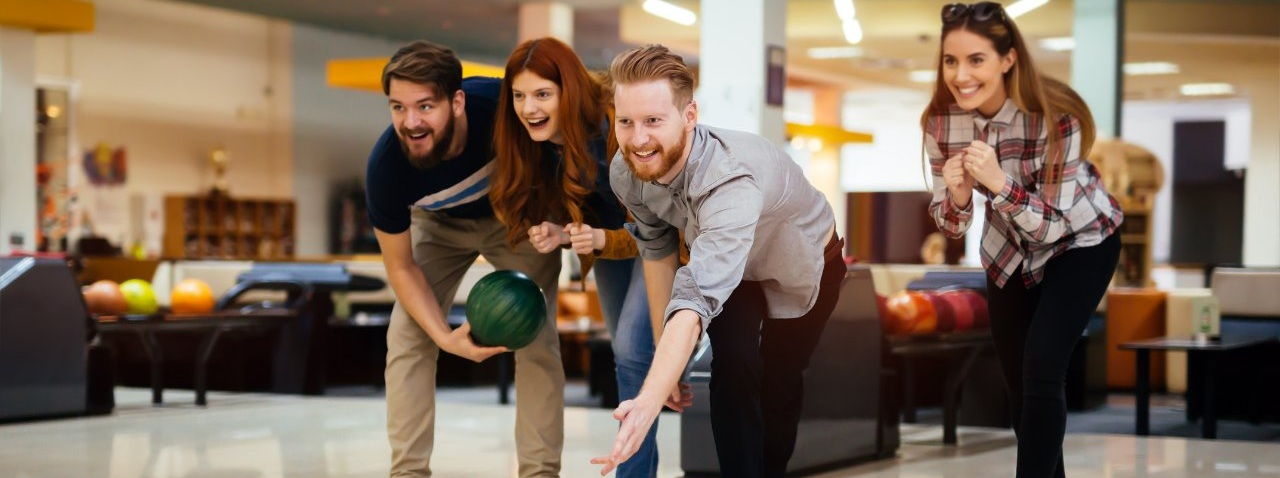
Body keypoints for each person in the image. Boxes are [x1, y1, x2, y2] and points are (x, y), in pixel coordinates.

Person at [590, 44, 846, 478]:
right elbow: (658, 252)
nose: (637, 139)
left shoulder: (730, 178)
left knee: (780, 382)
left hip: (805, 263)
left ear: (689, 115)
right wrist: (664, 370)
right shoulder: (626, 171)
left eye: (653, 120)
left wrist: (648, 402)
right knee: (735, 364)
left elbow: (695, 300)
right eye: (626, 121)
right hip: (736, 270)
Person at [921, 3, 1123, 477]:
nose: (961, 75)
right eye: (951, 61)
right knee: (1021, 390)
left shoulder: (1056, 118)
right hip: (1008, 251)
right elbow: (951, 226)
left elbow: (1052, 225)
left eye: (976, 60)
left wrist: (997, 183)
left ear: (1008, 59)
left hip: (1081, 242)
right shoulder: (941, 122)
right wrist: (956, 195)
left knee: (1042, 368)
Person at [365, 40, 565, 478]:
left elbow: (565, 148)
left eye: (425, 106)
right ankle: (408, 472)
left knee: (536, 336)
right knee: (406, 334)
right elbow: (400, 267)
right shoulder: (387, 169)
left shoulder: (499, 107)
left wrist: (564, 222)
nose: (410, 122)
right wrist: (442, 335)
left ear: (456, 102)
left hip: (515, 215)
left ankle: (540, 472)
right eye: (398, 107)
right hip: (439, 228)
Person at [489, 37, 662, 478]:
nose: (529, 107)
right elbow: (585, 219)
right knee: (629, 358)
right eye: (520, 96)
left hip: (657, 242)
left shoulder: (612, 127)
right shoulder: (544, 142)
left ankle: (632, 472)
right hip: (609, 249)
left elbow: (658, 222)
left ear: (569, 91)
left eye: (543, 94)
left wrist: (601, 239)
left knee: (632, 351)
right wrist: (560, 233)